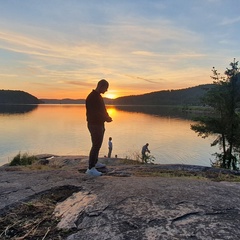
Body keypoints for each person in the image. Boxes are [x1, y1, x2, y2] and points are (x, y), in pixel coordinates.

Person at [85, 79, 113, 176]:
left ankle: (95, 162)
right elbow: (95, 113)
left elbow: (102, 110)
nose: (106, 91)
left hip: (99, 124)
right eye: (106, 88)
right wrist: (106, 118)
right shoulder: (92, 97)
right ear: (101, 86)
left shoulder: (98, 97)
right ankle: (91, 168)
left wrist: (107, 117)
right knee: (96, 145)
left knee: (98, 144)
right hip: (94, 124)